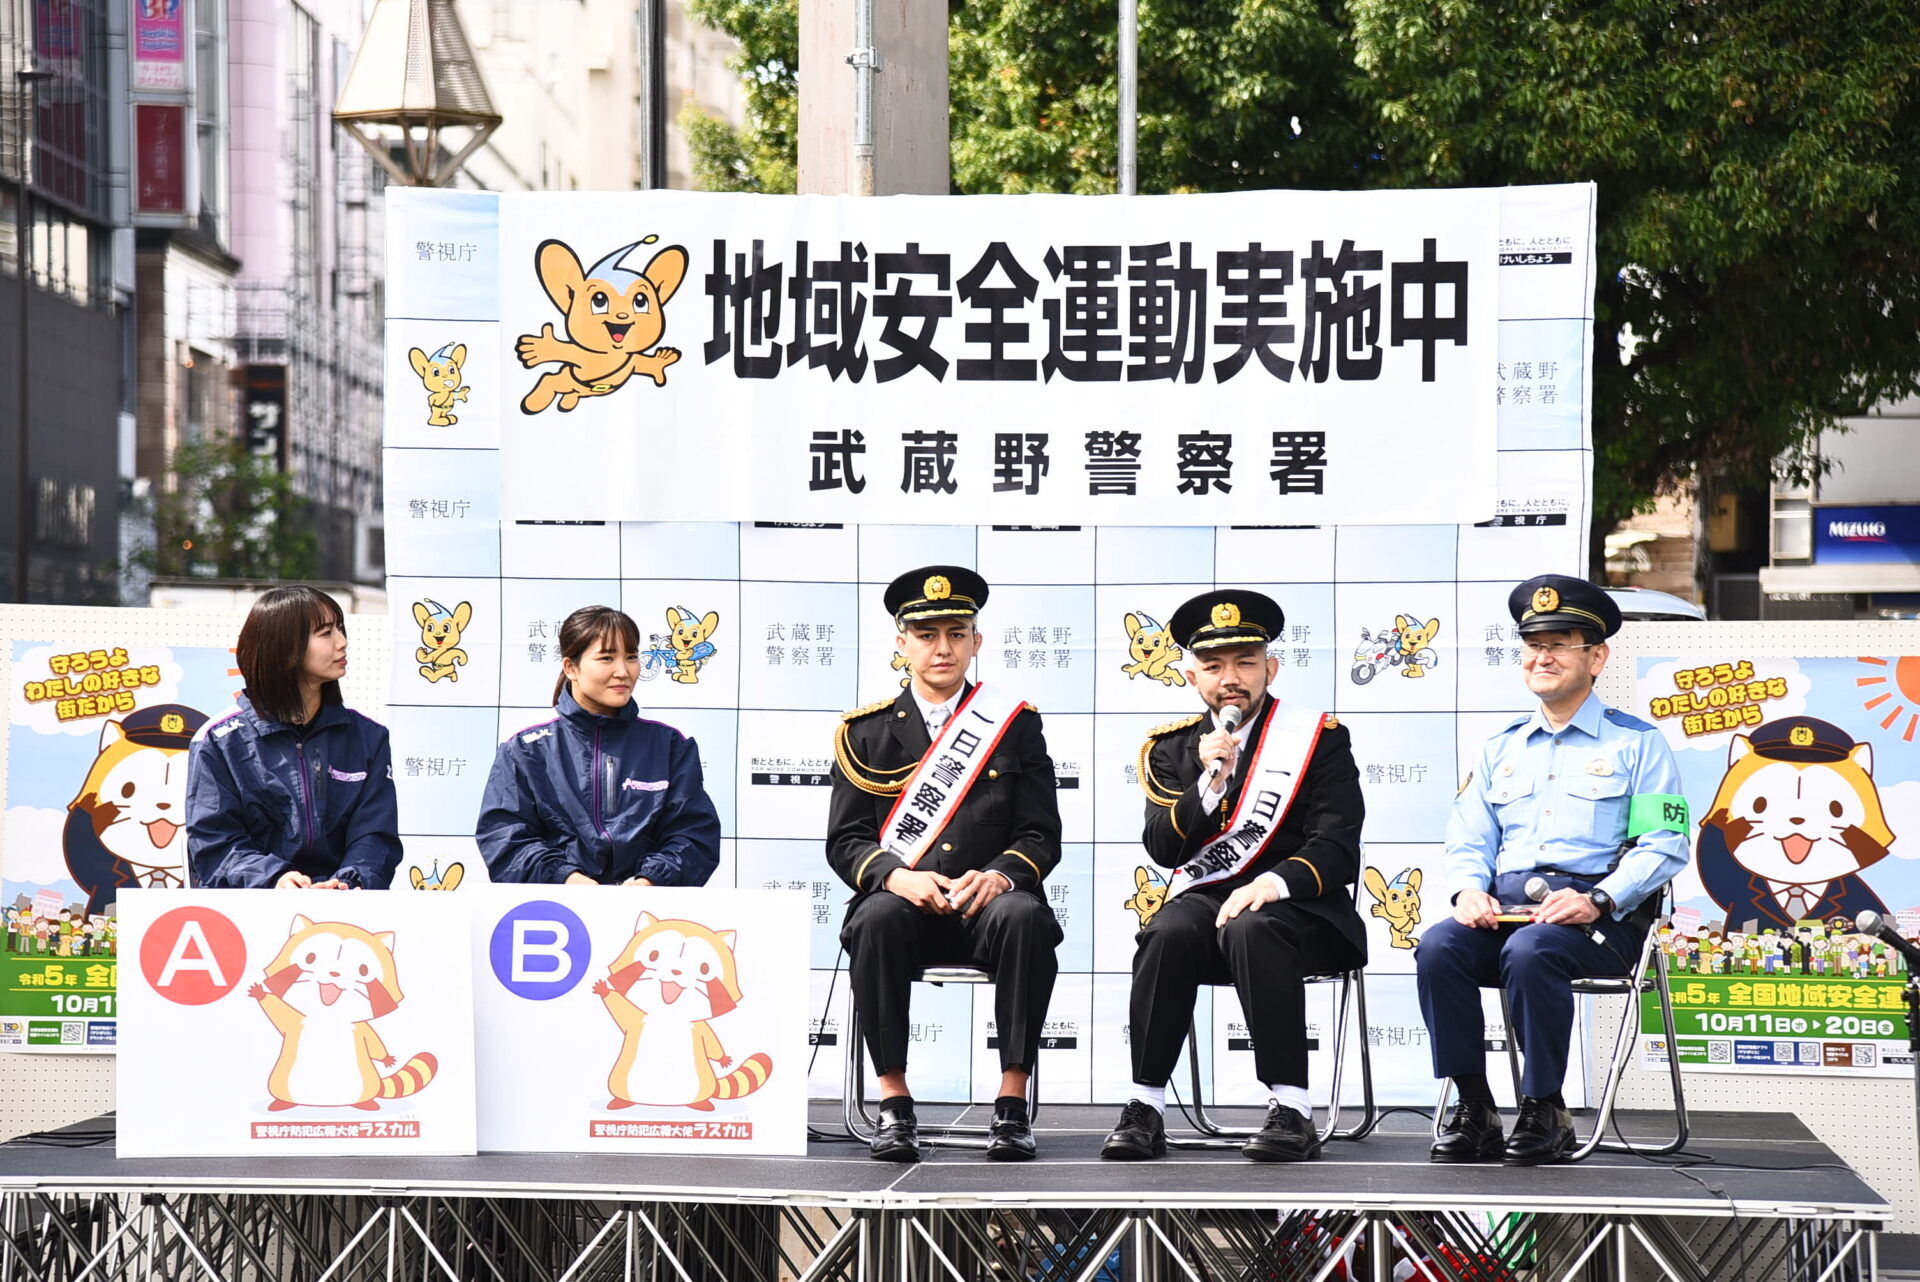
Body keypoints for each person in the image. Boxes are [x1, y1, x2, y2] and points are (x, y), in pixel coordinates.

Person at [1417, 575, 1688, 1165]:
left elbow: (1665, 844)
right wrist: (1467, 892)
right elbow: (1469, 837)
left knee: (1532, 950)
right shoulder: (1502, 747)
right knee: (1439, 946)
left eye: (1559, 645)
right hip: (1511, 912)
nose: (1542, 657)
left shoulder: (1638, 744)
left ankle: (1546, 1106)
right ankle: (1476, 1108)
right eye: (1533, 645)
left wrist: (1600, 899)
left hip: (1602, 921)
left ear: (1597, 658)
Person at [1101, 590, 1365, 1164]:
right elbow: (1164, 849)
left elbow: (1337, 847)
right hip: (1207, 904)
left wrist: (1271, 884)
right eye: (1214, 665)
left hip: (1302, 909)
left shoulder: (1318, 739)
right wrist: (1208, 783)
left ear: (1271, 668)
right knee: (1167, 931)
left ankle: (1292, 1108)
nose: (1231, 679)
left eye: (1246, 663)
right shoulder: (1174, 749)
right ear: (1192, 676)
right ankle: (1145, 1105)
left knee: (1254, 925)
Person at [827, 566, 1063, 1163]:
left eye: (957, 634)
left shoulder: (1015, 726)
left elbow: (1040, 834)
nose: (942, 648)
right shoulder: (865, 734)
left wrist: (1001, 874)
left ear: (976, 642)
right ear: (901, 643)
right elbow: (847, 840)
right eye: (926, 634)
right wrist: (897, 876)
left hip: (989, 908)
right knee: (875, 917)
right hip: (905, 907)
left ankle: (1011, 1104)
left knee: (1025, 917)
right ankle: (893, 1104)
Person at [478, 605, 721, 886]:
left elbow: (694, 835)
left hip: (648, 909)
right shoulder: (524, 749)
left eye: (631, 657)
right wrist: (565, 878)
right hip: (559, 908)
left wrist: (651, 880)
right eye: (607, 658)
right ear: (571, 667)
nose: (623, 671)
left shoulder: (670, 745)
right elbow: (504, 838)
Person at [188, 586, 401, 889]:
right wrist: (274, 878)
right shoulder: (220, 741)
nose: (342, 642)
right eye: (326, 633)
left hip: (345, 908)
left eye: (340, 628)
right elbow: (214, 843)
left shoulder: (368, 737)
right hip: (251, 907)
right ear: (285, 647)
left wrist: (349, 881)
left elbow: (375, 836)